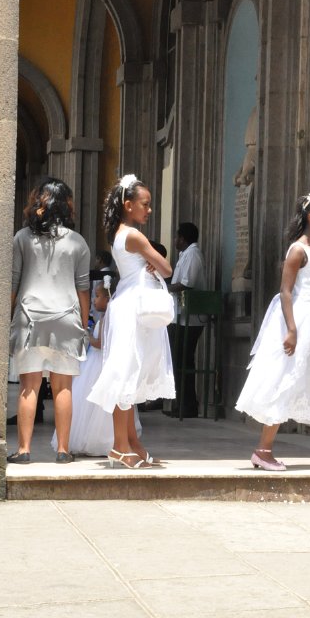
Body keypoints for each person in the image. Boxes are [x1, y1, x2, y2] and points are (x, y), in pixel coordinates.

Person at [235, 189, 310, 472]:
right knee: (285, 379)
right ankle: (263, 451)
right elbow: (286, 292)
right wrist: (291, 330)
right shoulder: (298, 250)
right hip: (299, 325)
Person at [87, 174, 175, 469]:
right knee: (125, 375)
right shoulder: (134, 236)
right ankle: (119, 446)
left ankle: (132, 444)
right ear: (128, 205)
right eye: (145, 204)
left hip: (129, 302)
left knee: (130, 374)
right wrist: (155, 262)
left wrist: (151, 262)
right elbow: (167, 269)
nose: (149, 210)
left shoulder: (119, 233)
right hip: (134, 307)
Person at [8, 178, 90, 464]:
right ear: (66, 205)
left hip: (29, 317)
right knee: (62, 386)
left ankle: (23, 450)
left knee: (29, 386)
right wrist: (84, 324)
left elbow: (13, 284)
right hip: (66, 317)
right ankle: (63, 451)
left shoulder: (22, 237)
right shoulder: (77, 242)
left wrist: (8, 317)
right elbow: (83, 289)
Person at [51, 278, 142, 456]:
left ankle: (98, 439)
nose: (94, 300)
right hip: (97, 361)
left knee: (93, 402)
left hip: (99, 363)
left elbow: (101, 343)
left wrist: (87, 337)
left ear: (108, 299)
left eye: (98, 296)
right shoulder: (109, 316)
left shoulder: (108, 317)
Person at [167, 222, 206, 418]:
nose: (175, 240)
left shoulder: (192, 254)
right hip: (180, 317)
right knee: (179, 361)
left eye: (177, 237)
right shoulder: (185, 255)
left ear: (182, 238)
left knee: (184, 361)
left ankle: (188, 405)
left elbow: (186, 284)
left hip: (190, 318)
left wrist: (166, 287)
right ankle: (181, 403)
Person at [89, 249, 113, 324]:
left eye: (96, 259)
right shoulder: (109, 273)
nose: (95, 262)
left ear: (100, 260)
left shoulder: (101, 275)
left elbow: (98, 294)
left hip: (99, 312)